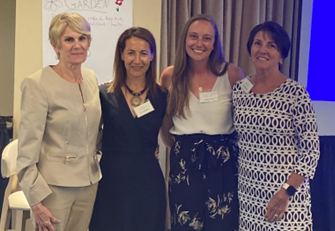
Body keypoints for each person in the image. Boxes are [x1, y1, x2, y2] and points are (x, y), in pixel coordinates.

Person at [16, 13, 101, 231]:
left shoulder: (91, 78)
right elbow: (27, 149)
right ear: (55, 45)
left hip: (89, 183)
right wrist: (35, 200)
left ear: (89, 42)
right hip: (53, 188)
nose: (77, 45)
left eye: (82, 38)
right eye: (69, 39)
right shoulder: (37, 84)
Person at [232, 21, 320, 231]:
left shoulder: (296, 94)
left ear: (281, 55)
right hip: (249, 193)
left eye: (272, 45)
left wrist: (286, 191)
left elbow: (311, 151)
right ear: (250, 50)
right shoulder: (239, 90)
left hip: (286, 196)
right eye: (258, 43)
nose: (263, 49)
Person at [160, 14, 244, 231]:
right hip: (185, 163)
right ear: (184, 40)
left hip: (223, 163)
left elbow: (243, 121)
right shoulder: (170, 76)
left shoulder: (232, 74)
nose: (199, 43)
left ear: (215, 42)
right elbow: (165, 121)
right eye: (193, 37)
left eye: (207, 38)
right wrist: (182, 149)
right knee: (186, 224)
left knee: (223, 224)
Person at [89, 27, 167, 231]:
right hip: (111, 182)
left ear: (152, 56)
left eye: (143, 53)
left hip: (148, 182)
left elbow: (168, 132)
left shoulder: (162, 96)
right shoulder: (103, 94)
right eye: (131, 52)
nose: (137, 60)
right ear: (121, 55)